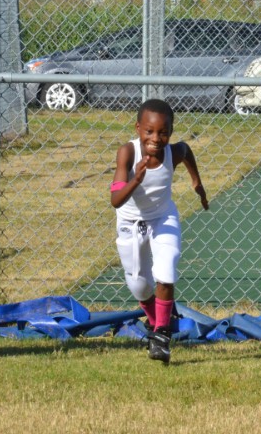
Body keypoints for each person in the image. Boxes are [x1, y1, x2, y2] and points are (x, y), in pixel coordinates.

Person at [110, 98, 208, 364]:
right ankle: (159, 323)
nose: (156, 138)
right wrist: (136, 179)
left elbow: (186, 150)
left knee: (166, 269)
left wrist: (196, 181)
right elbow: (116, 200)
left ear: (170, 132)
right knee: (140, 287)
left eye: (163, 132)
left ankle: (162, 336)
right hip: (131, 223)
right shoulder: (127, 153)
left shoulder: (171, 152)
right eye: (149, 131)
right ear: (138, 129)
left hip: (163, 218)